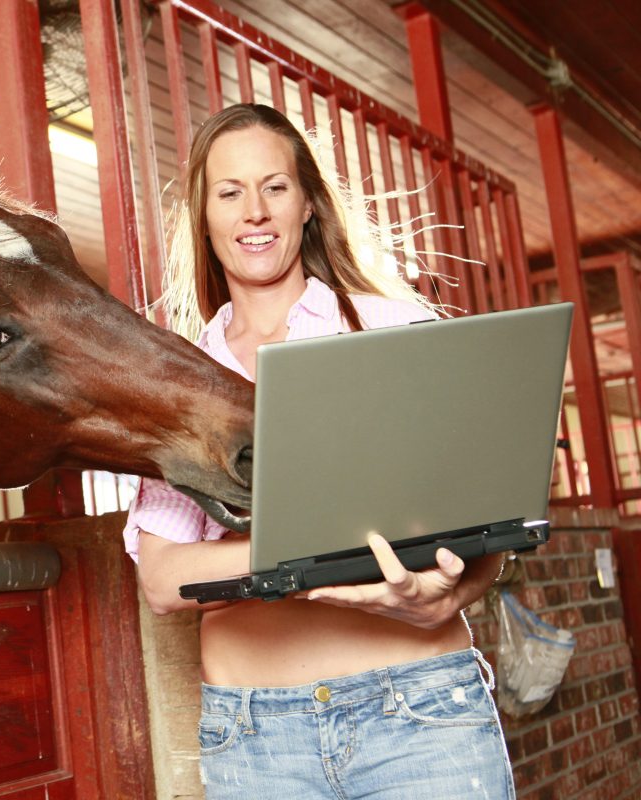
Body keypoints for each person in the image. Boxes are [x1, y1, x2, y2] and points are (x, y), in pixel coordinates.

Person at [125, 103, 515, 799]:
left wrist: (444, 595)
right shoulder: (177, 380)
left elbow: (483, 538)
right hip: (255, 743)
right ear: (204, 214)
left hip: (420, 715)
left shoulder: (397, 328)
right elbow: (162, 581)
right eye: (230, 191)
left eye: (275, 187)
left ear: (306, 203)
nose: (255, 212)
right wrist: (342, 549)